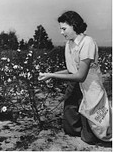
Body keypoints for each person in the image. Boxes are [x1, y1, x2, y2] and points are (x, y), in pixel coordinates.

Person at [38, 11, 112, 144]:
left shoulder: (87, 42)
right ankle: (83, 124)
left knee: (90, 137)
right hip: (75, 84)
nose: (61, 32)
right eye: (61, 29)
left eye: (64, 29)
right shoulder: (69, 44)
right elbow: (71, 70)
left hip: (90, 86)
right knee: (70, 128)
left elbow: (81, 76)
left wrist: (52, 76)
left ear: (74, 25)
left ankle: (91, 128)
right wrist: (49, 75)